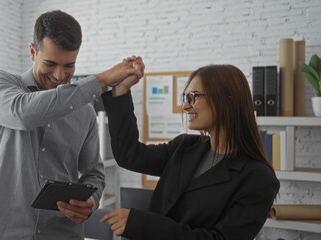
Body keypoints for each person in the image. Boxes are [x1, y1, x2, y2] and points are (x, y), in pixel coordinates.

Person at [0, 10, 144, 240]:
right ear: (32, 52)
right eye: (50, 63)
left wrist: (89, 200)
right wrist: (101, 80)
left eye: (69, 65)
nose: (60, 75)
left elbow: (94, 173)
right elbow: (24, 114)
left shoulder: (85, 111)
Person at [100, 64, 280, 240]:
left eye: (194, 97)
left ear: (228, 100)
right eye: (185, 97)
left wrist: (142, 224)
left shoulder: (259, 179)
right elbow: (129, 155)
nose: (185, 106)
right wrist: (121, 90)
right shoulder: (184, 146)